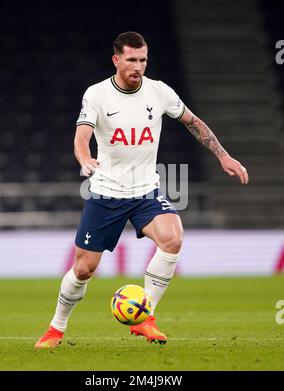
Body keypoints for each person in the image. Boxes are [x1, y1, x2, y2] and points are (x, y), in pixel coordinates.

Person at [35, 31, 249, 348]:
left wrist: (223, 155)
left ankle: (145, 318)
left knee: (173, 237)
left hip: (145, 191)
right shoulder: (97, 94)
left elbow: (193, 121)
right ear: (116, 59)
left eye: (143, 59)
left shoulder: (159, 92)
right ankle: (56, 327)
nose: (139, 66)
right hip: (106, 193)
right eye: (132, 59)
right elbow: (82, 137)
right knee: (83, 269)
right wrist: (85, 159)